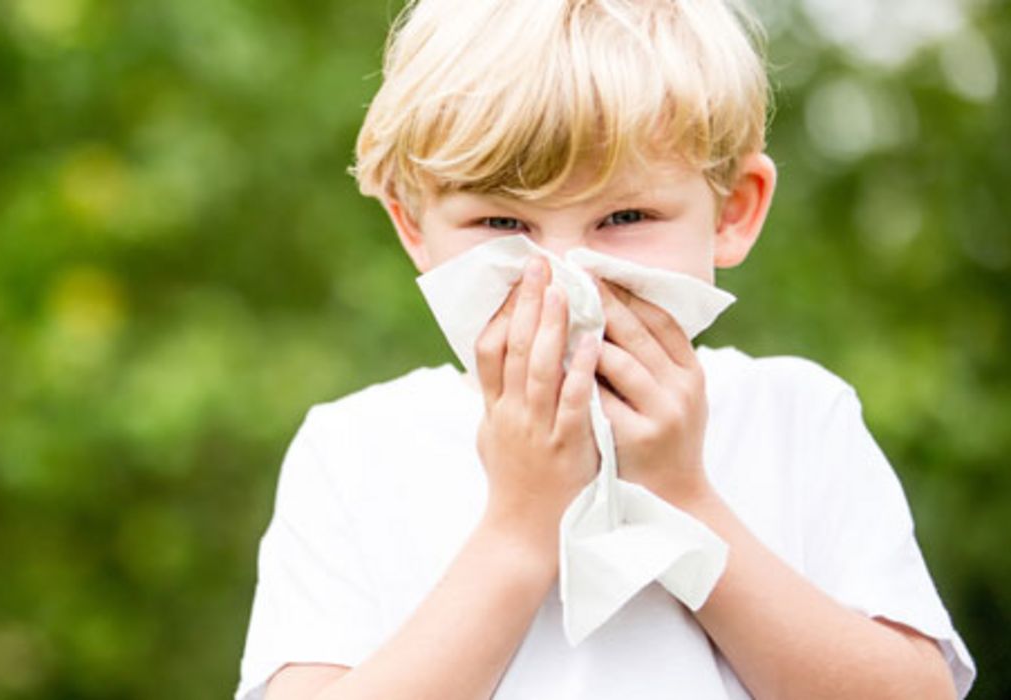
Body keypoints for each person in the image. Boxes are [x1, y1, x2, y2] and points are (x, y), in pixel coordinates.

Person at [233, 0, 977, 698]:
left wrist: (682, 501)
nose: (566, 274)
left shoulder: (798, 418)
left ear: (732, 212)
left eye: (624, 216)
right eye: (500, 225)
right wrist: (519, 528)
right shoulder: (357, 447)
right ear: (414, 230)